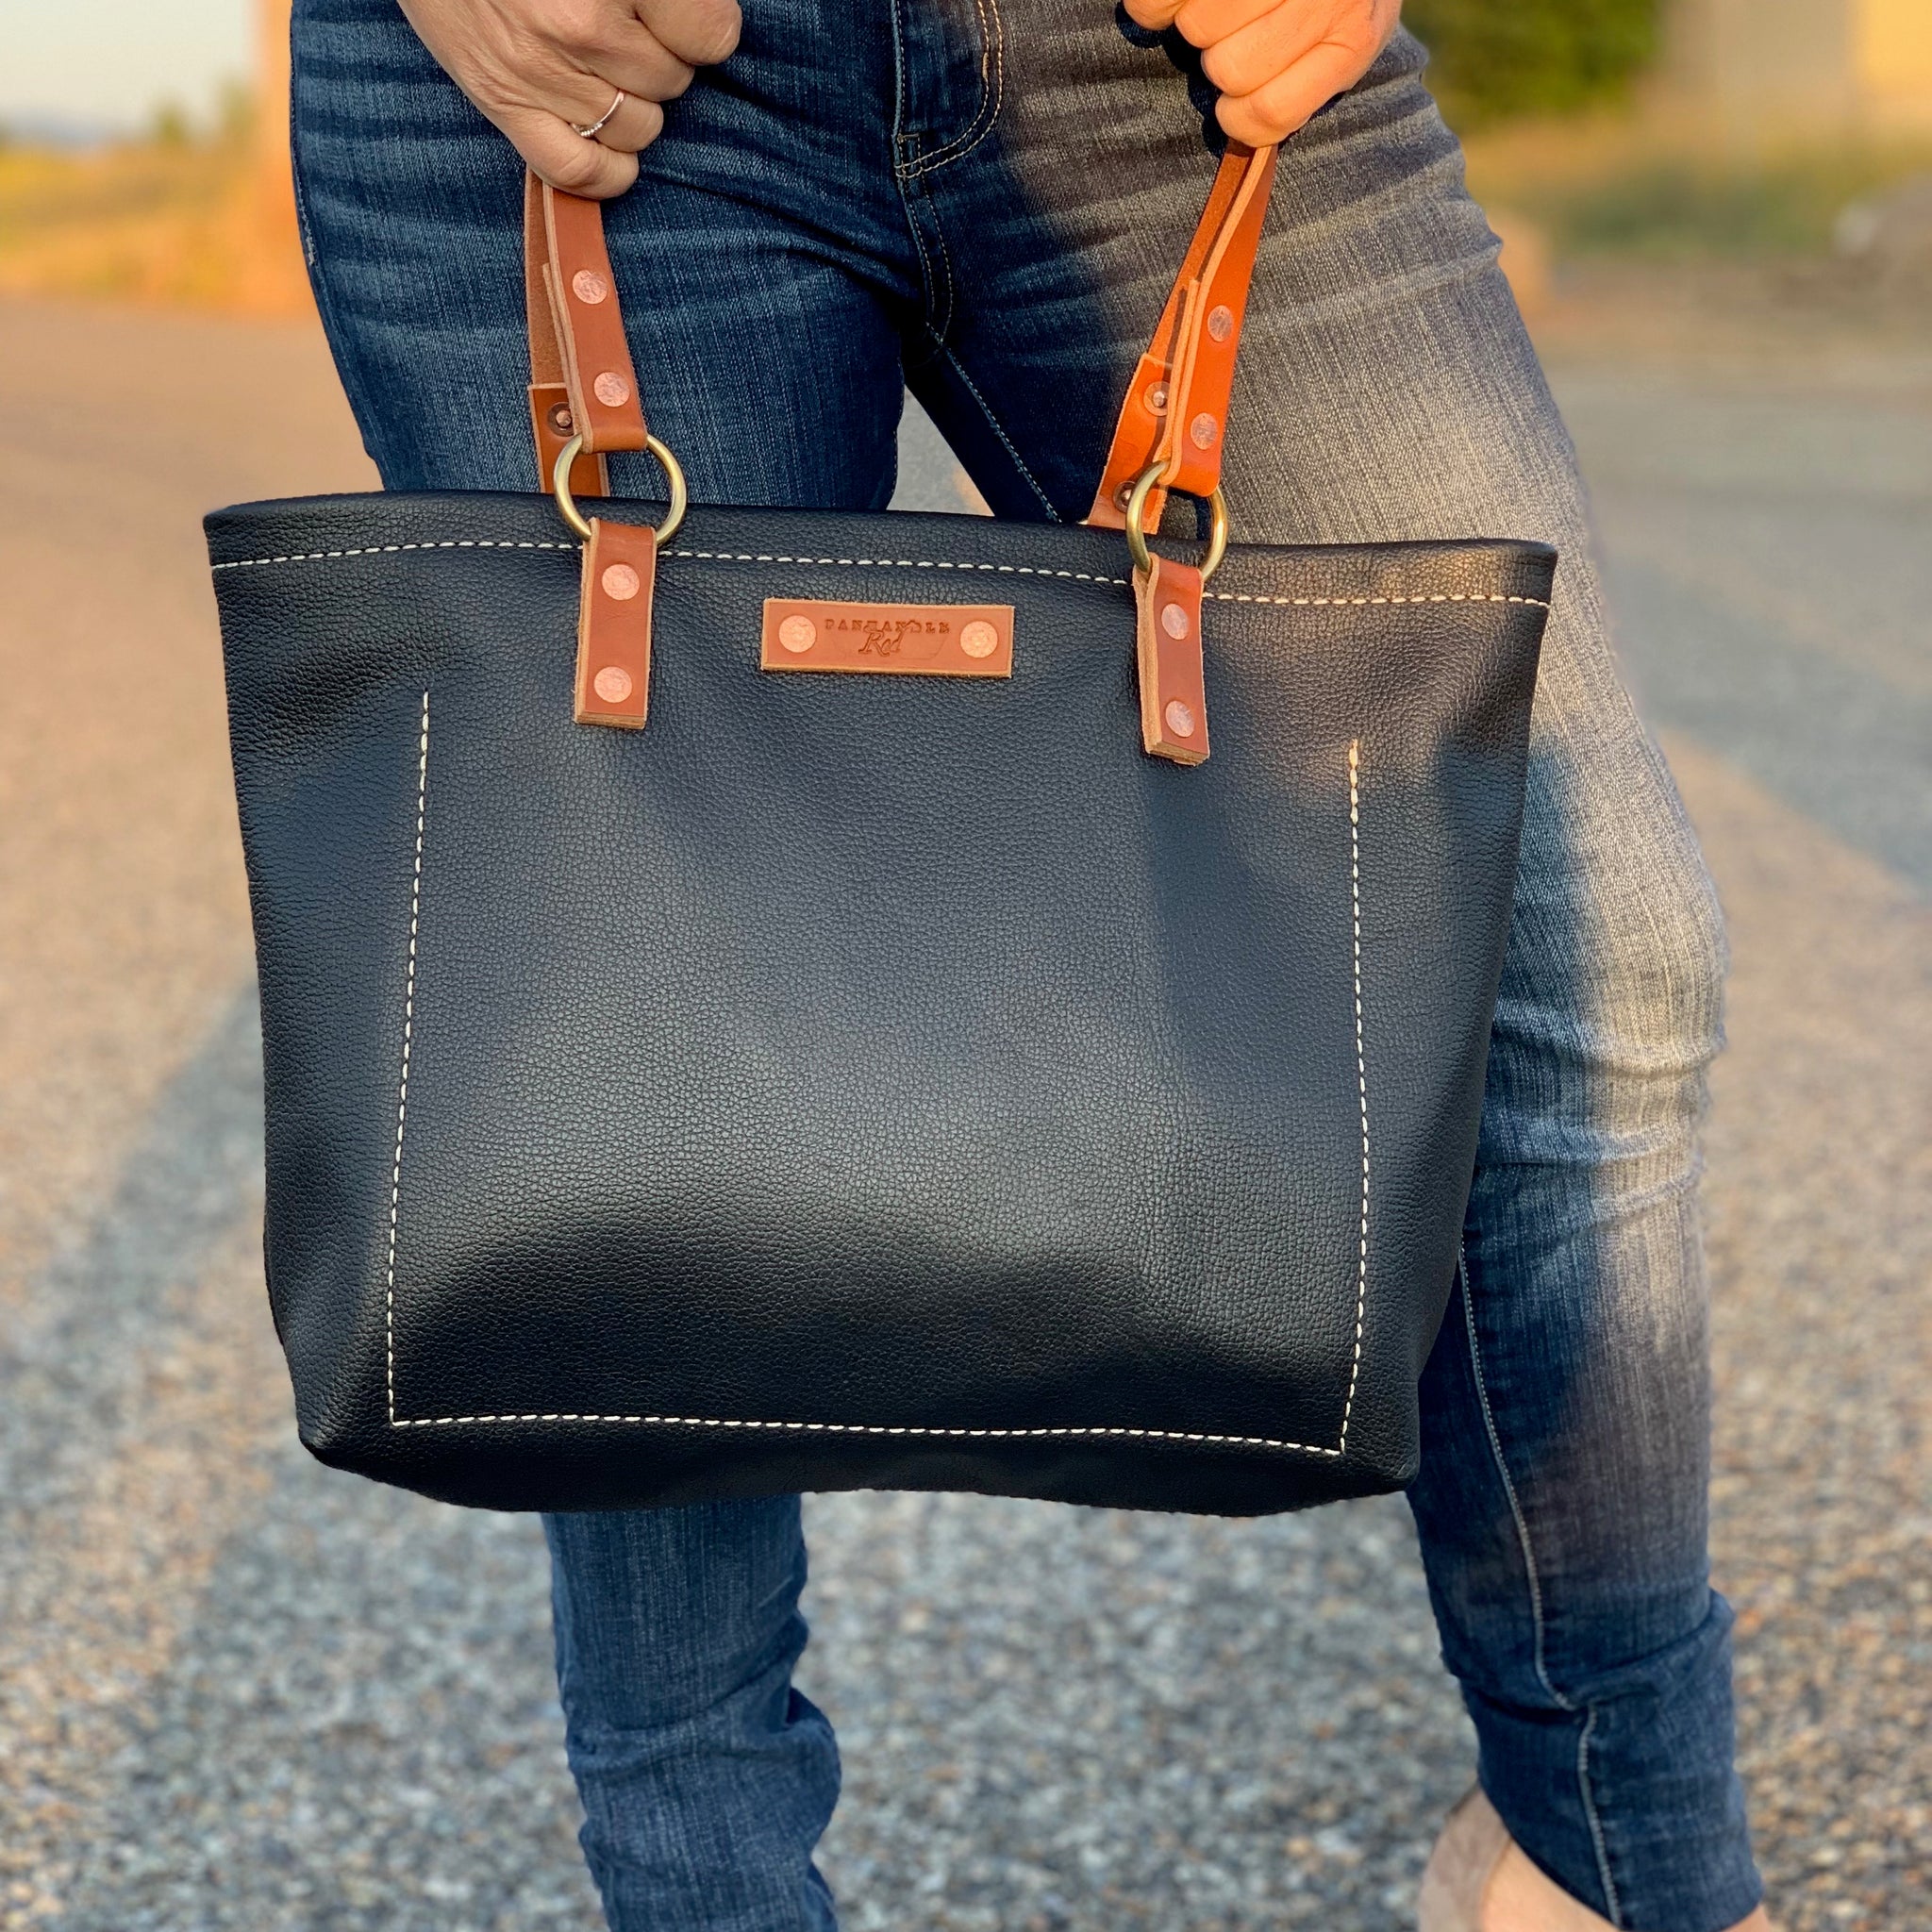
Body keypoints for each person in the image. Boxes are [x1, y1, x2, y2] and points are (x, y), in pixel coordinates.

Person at [286, 0, 1776, 1925]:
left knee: (1587, 949)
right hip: (601, 61)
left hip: (1162, 63)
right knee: (634, 1050)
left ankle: (1608, 1870)